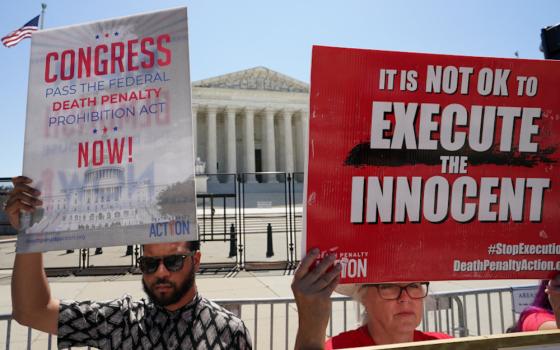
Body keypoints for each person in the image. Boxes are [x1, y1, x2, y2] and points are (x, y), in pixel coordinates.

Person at [6, 176, 252, 349]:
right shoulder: (122, 322)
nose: (161, 272)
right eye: (149, 264)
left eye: (174, 261)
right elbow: (32, 311)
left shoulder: (228, 331)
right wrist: (30, 233)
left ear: (196, 260)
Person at [291, 249, 452, 349]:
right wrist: (310, 327)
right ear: (363, 297)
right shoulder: (337, 348)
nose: (405, 297)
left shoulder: (448, 346)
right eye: (388, 286)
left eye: (414, 285)